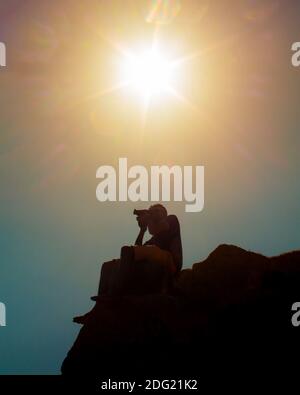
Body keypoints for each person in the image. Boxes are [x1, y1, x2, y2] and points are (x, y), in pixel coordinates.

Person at [73, 204, 182, 324]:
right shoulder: (152, 241)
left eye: (156, 211)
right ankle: (98, 307)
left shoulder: (171, 219)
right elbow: (137, 250)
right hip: (155, 257)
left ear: (163, 213)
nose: (153, 214)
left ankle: (116, 295)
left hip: (169, 262)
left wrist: (150, 215)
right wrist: (142, 230)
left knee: (126, 250)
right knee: (107, 266)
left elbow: (162, 227)